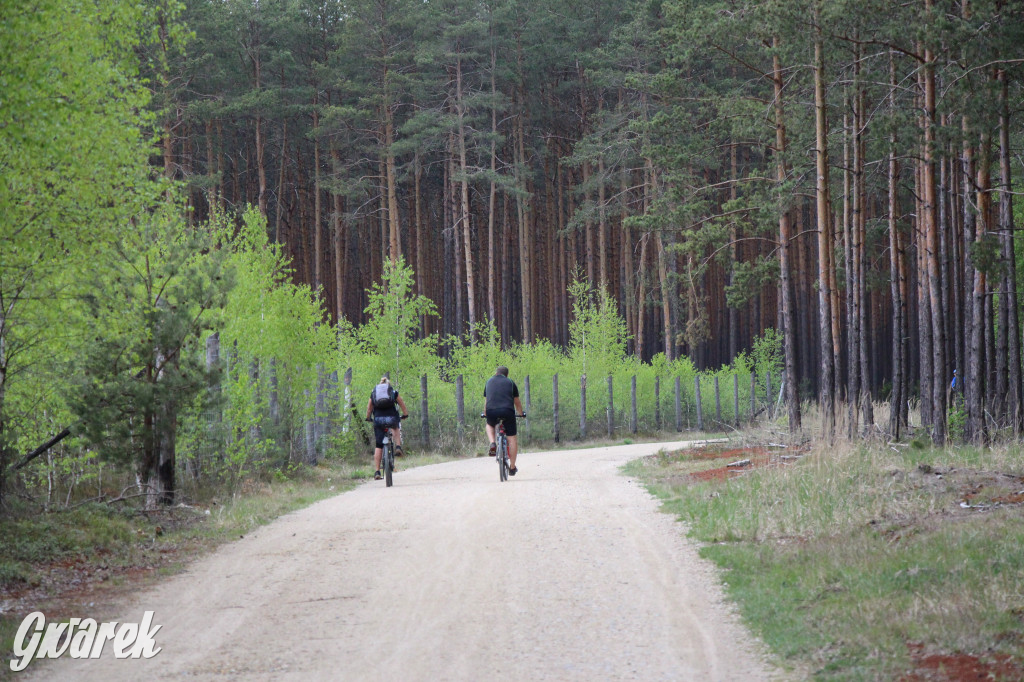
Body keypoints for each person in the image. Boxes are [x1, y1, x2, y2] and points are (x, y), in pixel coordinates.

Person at [483, 366, 526, 475]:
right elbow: (517, 402)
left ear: (496, 372)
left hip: (491, 410)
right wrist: (521, 413)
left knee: (489, 425)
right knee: (512, 439)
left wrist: (486, 413)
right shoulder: (510, 382)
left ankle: (493, 443)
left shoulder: (489, 382)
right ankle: (512, 467)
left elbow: (487, 401)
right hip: (507, 411)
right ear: (506, 374)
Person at [366, 377, 409, 481]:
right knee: (395, 427)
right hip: (391, 417)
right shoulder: (393, 392)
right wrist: (405, 414)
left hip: (378, 420)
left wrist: (368, 417)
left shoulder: (374, 393)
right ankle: (398, 447)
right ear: (388, 385)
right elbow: (401, 403)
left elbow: (369, 408)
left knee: (379, 445)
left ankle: (377, 471)